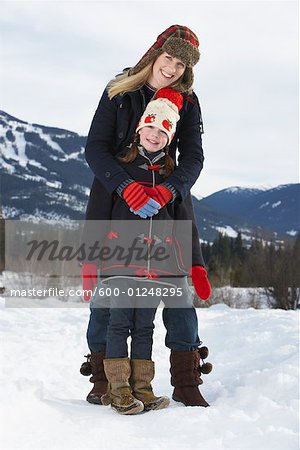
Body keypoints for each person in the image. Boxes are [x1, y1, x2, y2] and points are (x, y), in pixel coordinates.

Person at [81, 25, 212, 408]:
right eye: (168, 59)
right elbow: (95, 148)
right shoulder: (120, 91)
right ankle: (105, 378)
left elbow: (194, 157)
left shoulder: (188, 102)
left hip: (168, 200)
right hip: (115, 197)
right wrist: (126, 187)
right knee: (109, 295)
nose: (172, 69)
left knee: (178, 295)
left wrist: (170, 189)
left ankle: (186, 380)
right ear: (155, 54)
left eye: (180, 65)